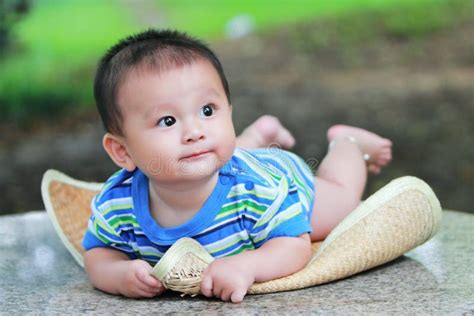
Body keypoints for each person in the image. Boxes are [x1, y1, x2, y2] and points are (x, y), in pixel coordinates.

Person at [82, 29, 392, 303]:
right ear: (122, 152)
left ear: (228, 113)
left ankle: (348, 144)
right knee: (210, 155)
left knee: (343, 199)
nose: (194, 131)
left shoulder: (257, 190)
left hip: (281, 176)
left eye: (207, 110)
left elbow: (294, 246)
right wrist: (118, 274)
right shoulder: (117, 204)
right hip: (226, 161)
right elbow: (98, 255)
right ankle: (259, 135)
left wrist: (248, 265)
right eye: (167, 120)